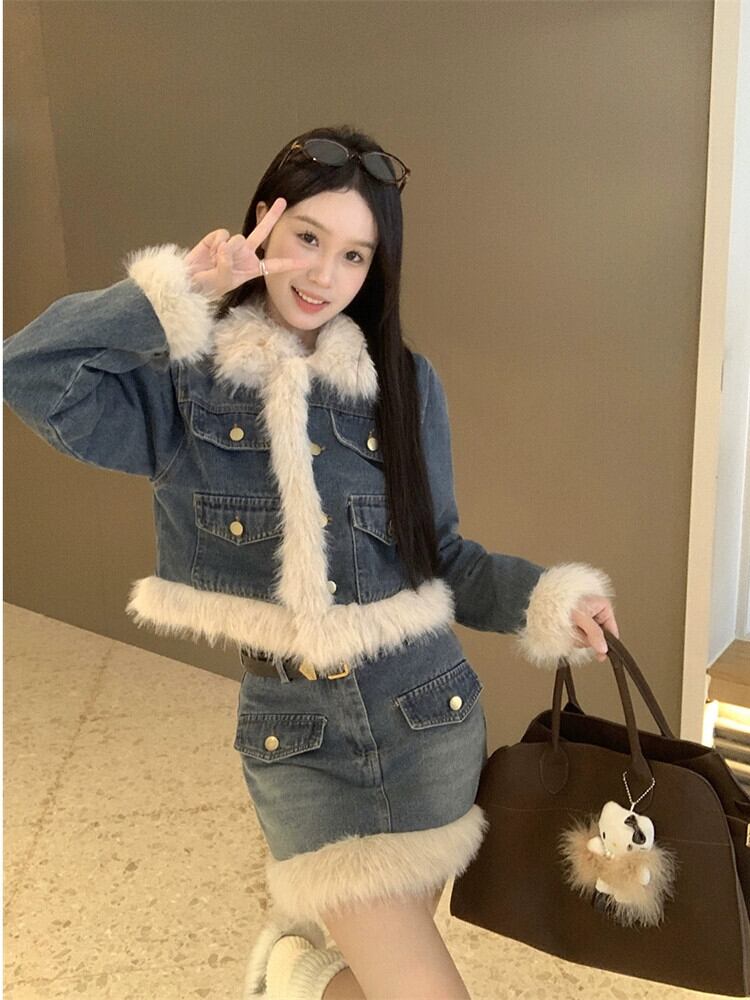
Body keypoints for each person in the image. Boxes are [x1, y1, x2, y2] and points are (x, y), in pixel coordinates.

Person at [3, 124, 620, 1000]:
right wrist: (180, 291)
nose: (324, 274)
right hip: (298, 741)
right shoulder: (186, 386)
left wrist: (551, 601)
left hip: (427, 720)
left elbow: (443, 556)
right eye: (307, 238)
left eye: (355, 256)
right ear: (264, 222)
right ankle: (295, 969)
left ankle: (292, 972)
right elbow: (29, 370)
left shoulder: (404, 385)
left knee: (383, 980)